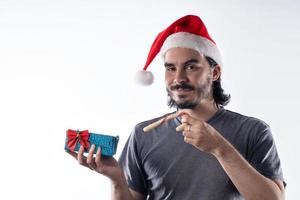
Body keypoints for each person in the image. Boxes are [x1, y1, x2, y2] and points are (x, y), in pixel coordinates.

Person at [67, 15, 286, 200]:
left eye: (191, 66)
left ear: (215, 73)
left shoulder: (253, 131)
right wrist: (116, 179)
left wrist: (220, 148)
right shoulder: (143, 135)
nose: (178, 78)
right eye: (170, 68)